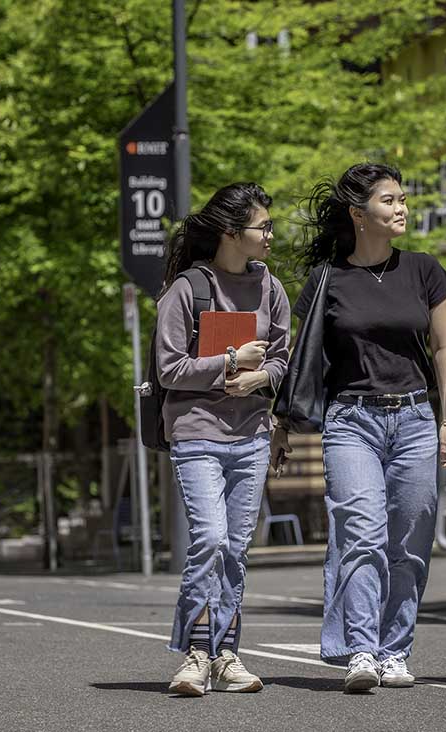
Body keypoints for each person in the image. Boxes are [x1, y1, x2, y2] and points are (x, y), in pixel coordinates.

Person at [275, 162, 446, 693]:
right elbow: (300, 354)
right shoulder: (327, 279)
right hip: (351, 420)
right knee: (360, 535)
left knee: (409, 540)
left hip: (417, 421)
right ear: (359, 215)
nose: (401, 207)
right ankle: (361, 648)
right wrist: (282, 422)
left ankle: (395, 650)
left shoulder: (424, 270)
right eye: (389, 200)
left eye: (402, 199)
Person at [155, 182, 291, 696]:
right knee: (209, 540)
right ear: (232, 232)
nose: (271, 235)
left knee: (235, 548)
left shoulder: (269, 287)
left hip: (252, 435)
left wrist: (262, 378)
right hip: (197, 434)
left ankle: (226, 655)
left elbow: (282, 357)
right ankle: (193, 654)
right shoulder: (188, 289)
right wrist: (231, 362)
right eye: (264, 227)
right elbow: (170, 369)